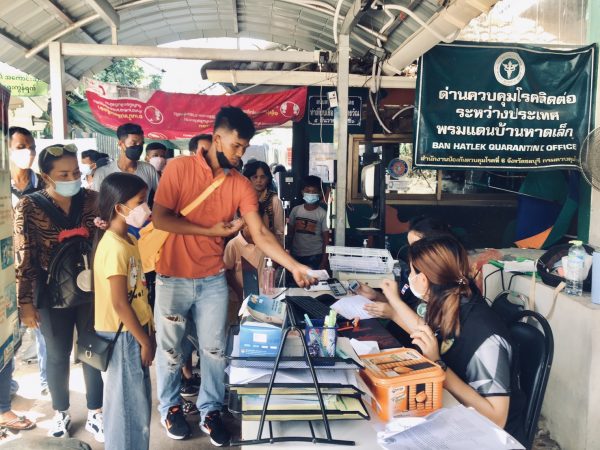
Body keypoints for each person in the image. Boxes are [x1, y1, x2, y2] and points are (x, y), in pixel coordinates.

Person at [152, 106, 314, 445]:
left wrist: (294, 265)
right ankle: (170, 407)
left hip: (213, 278)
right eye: (236, 146)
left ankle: (210, 409)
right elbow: (161, 219)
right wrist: (208, 228)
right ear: (216, 139)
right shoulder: (178, 169)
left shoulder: (241, 184)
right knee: (170, 350)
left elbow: (261, 234)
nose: (240, 155)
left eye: (244, 148)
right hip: (172, 276)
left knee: (215, 349)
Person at [370, 236, 525, 444]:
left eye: (412, 273)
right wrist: (394, 305)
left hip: (488, 437)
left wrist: (440, 366)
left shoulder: (486, 338)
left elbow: (497, 418)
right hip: (454, 414)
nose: (410, 278)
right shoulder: (452, 302)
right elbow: (422, 330)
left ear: (423, 280)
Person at [14, 144, 104, 441]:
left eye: (76, 171)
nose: (72, 177)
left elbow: (105, 241)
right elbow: (23, 255)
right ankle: (61, 412)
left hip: (90, 287)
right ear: (46, 176)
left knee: (92, 350)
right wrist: (25, 302)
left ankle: (95, 412)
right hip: (49, 292)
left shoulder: (93, 200)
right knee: (56, 354)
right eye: (63, 173)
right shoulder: (29, 206)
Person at [93, 172, 155, 450]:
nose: (147, 208)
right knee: (127, 407)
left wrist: (147, 333)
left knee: (136, 404)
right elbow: (120, 303)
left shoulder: (128, 240)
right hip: (123, 335)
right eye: (141, 201)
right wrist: (144, 340)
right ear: (120, 208)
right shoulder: (114, 246)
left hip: (134, 331)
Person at [8, 126, 49, 397]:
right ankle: (6, 383)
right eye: (21, 147)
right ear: (7, 149)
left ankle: (49, 380)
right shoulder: (3, 185)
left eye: (32, 146)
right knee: (8, 331)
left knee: (43, 328)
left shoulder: (44, 184)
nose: (29, 152)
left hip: (39, 269)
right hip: (7, 270)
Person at [92, 123, 159, 200]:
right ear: (121, 144)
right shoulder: (102, 173)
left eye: (141, 144)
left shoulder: (149, 170)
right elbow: (95, 204)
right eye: (133, 143)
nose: (138, 147)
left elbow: (163, 196)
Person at [223, 222, 266, 322]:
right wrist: (239, 291)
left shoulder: (263, 242)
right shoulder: (233, 245)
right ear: (244, 226)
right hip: (238, 298)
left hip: (259, 297)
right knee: (238, 327)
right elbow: (226, 272)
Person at [287, 175, 329, 270]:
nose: (311, 194)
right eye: (307, 191)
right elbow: (290, 234)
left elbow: (326, 239)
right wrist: (288, 252)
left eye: (314, 192)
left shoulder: (322, 213)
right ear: (302, 192)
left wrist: (324, 261)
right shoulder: (295, 210)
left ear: (320, 194)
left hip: (315, 255)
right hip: (296, 254)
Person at [242, 160, 285, 245]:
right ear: (248, 179)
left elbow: (279, 231)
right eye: (255, 177)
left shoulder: (274, 200)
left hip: (268, 247)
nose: (259, 181)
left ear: (268, 179)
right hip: (245, 247)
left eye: (263, 177)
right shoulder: (242, 199)